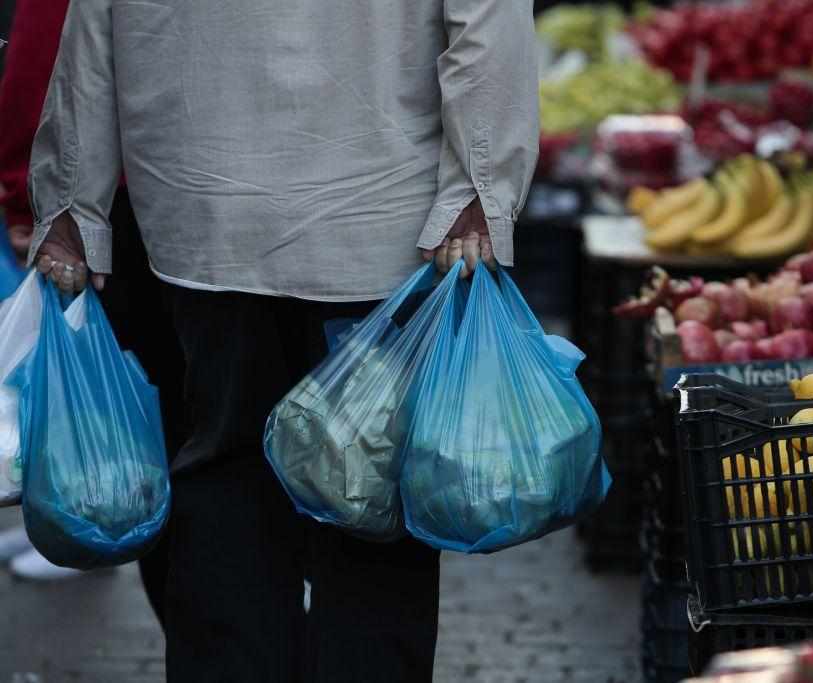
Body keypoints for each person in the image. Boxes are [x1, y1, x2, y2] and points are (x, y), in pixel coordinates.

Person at [26, 1, 538, 681]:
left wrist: (70, 200)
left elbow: (93, 19)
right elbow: (486, 22)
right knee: (372, 509)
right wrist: (481, 190)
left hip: (208, 214)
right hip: (377, 217)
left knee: (225, 485)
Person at [0, 0, 182, 606]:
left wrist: (31, 194)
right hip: (355, 200)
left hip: (140, 199)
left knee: (183, 456)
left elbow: (48, 51)